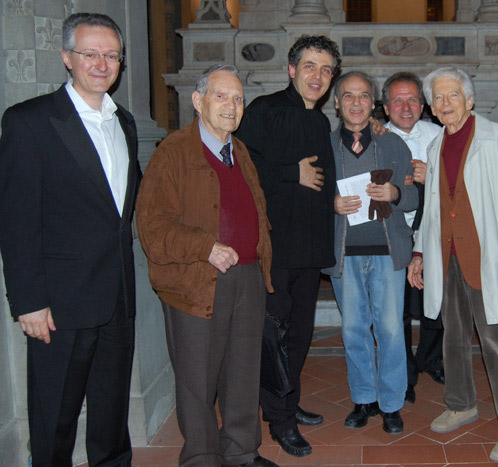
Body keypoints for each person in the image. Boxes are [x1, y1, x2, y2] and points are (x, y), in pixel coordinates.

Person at [0, 13, 139, 466]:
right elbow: (17, 221)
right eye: (90, 54)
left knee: (111, 415)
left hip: (116, 297)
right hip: (59, 304)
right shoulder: (30, 121)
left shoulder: (125, 123)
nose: (102, 64)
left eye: (111, 55)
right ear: (67, 57)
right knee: (54, 419)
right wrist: (28, 302)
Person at [407, 67, 498, 463]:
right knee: (453, 336)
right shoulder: (436, 146)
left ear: (469, 100)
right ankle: (461, 404)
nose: (445, 104)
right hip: (446, 257)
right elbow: (433, 209)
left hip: (487, 258)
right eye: (438, 98)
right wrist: (419, 253)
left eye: (452, 95)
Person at [136, 65, 277, 467]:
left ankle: (241, 451)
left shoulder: (240, 150)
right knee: (197, 377)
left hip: (247, 276)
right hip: (197, 279)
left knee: (243, 371)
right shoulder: (173, 152)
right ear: (198, 102)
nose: (232, 106)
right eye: (221, 96)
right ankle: (201, 455)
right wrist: (205, 247)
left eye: (238, 99)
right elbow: (152, 226)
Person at [234, 35, 340, 457]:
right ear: (292, 69)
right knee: (274, 337)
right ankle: (279, 420)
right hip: (276, 247)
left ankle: (287, 402)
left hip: (309, 249)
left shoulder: (321, 122)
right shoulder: (265, 110)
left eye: (326, 69)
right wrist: (289, 172)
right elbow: (241, 164)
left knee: (299, 335)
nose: (318, 76)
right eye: (310, 66)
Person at [323, 71, 418, 435]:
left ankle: (392, 403)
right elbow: (309, 197)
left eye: (363, 95)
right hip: (344, 253)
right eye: (348, 96)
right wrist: (330, 204)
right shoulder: (324, 146)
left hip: (387, 251)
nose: (356, 102)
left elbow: (413, 195)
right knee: (353, 329)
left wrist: (395, 194)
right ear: (337, 103)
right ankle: (364, 398)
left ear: (373, 103)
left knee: (391, 330)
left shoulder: (392, 144)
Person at [381, 71, 444, 404]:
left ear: (423, 105)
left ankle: (431, 359)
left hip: (433, 231)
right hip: (393, 233)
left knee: (437, 303)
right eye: (397, 101)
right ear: (385, 107)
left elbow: (460, 184)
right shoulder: (375, 138)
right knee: (397, 310)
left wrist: (431, 175)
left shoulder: (440, 135)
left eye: (412, 100)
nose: (405, 108)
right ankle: (404, 373)